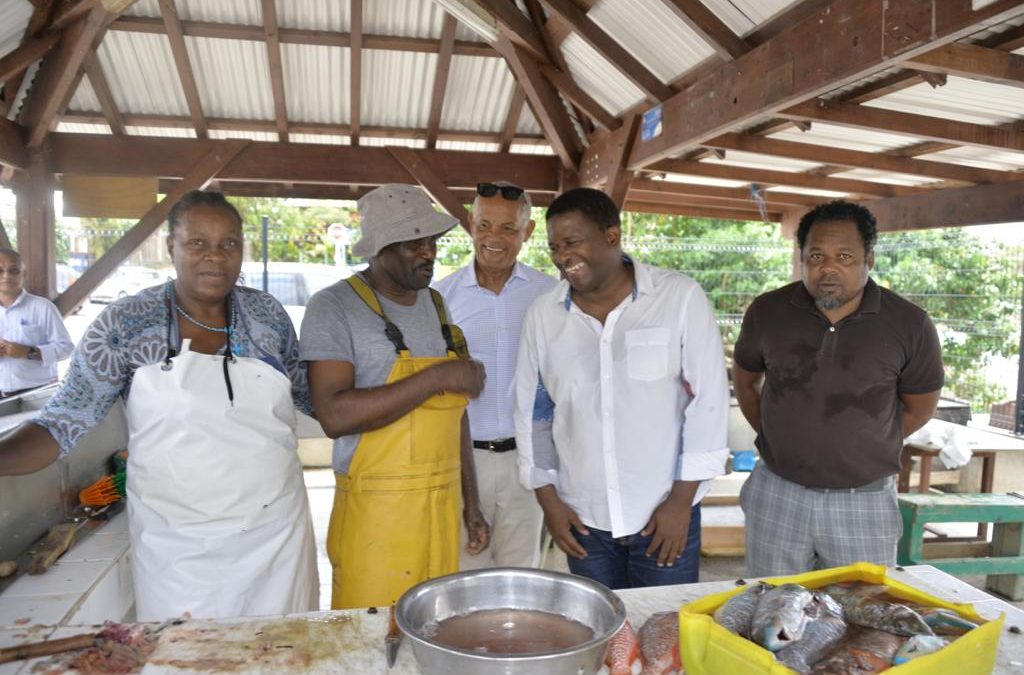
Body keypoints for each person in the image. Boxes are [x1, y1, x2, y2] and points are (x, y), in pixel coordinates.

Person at [0, 190, 318, 621]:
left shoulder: (267, 314)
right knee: (184, 656)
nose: (216, 257)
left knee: (283, 653)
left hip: (275, 532)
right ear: (171, 247)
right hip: (178, 543)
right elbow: (62, 422)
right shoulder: (126, 323)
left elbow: (309, 394)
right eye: (198, 243)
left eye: (230, 243)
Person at [514, 187, 729, 590]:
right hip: (582, 518)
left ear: (612, 236)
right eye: (555, 247)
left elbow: (709, 402)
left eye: (573, 242)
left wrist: (681, 503)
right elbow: (533, 412)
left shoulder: (678, 298)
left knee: (664, 630)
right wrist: (549, 502)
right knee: (602, 635)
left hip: (664, 514)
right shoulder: (543, 316)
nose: (562, 257)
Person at [301, 184, 490, 609]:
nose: (428, 253)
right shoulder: (333, 307)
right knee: (372, 641)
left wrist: (471, 502)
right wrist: (435, 376)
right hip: (375, 519)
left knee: (434, 633)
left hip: (441, 510)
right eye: (413, 243)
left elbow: (454, 414)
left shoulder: (437, 305)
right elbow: (334, 414)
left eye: (432, 241)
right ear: (379, 250)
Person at [733, 199, 944, 576]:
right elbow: (747, 382)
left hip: (862, 499)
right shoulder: (768, 312)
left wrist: (860, 445)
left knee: (862, 614)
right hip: (778, 492)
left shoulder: (910, 324)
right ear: (802, 259)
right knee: (772, 611)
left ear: (870, 260)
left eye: (845, 256)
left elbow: (919, 407)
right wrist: (776, 434)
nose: (828, 267)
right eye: (816, 256)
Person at [434, 181, 556, 570]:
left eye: (508, 228)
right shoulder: (441, 298)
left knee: (523, 576)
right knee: (463, 575)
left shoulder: (550, 295)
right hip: (461, 460)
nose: (494, 238)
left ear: (528, 232)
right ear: (470, 223)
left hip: (527, 460)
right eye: (485, 225)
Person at [0, 248, 74, 397]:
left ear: (24, 274)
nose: (6, 275)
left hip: (35, 394)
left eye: (14, 270)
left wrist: (30, 352)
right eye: (0, 270)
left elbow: (66, 348)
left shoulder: (43, 307)